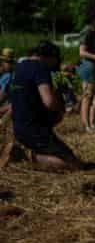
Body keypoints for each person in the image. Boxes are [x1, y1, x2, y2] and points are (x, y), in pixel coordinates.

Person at [9, 41, 84, 170]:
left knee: (67, 156)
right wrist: (60, 101)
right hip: (35, 130)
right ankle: (25, 156)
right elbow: (49, 102)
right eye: (55, 60)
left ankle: (30, 153)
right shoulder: (40, 68)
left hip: (20, 127)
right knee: (73, 165)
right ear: (48, 57)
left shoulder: (20, 67)